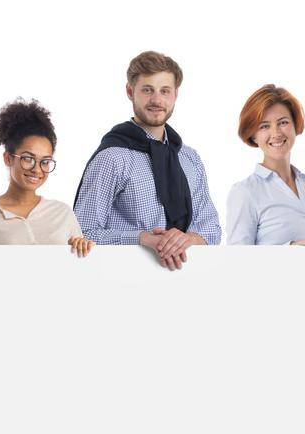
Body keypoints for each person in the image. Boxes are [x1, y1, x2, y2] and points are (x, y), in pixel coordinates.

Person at [74, 50, 221, 271]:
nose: (157, 100)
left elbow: (212, 230)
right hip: (123, 279)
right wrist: (142, 238)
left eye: (165, 91)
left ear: (175, 95)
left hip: (188, 281)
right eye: (147, 90)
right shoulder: (112, 158)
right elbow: (83, 232)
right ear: (130, 91)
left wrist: (187, 239)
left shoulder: (190, 159)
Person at [225, 84, 305, 261]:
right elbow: (237, 260)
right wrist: (292, 249)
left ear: (294, 125)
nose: (276, 133)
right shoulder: (244, 192)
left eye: (283, 122)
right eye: (264, 126)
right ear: (253, 135)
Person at [0, 99, 93, 257]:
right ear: (8, 158)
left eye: (45, 161)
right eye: (28, 158)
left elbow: (79, 269)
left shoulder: (62, 213)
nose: (37, 169)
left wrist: (83, 247)